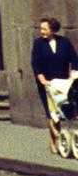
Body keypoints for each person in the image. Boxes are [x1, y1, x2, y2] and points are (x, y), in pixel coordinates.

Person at [31, 16, 78, 154]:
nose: (42, 31)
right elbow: (35, 63)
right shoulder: (38, 44)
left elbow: (74, 60)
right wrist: (41, 79)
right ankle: (56, 136)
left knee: (61, 109)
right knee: (50, 111)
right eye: (41, 29)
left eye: (45, 29)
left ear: (53, 30)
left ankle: (56, 138)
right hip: (46, 82)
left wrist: (72, 75)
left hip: (62, 82)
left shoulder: (64, 42)